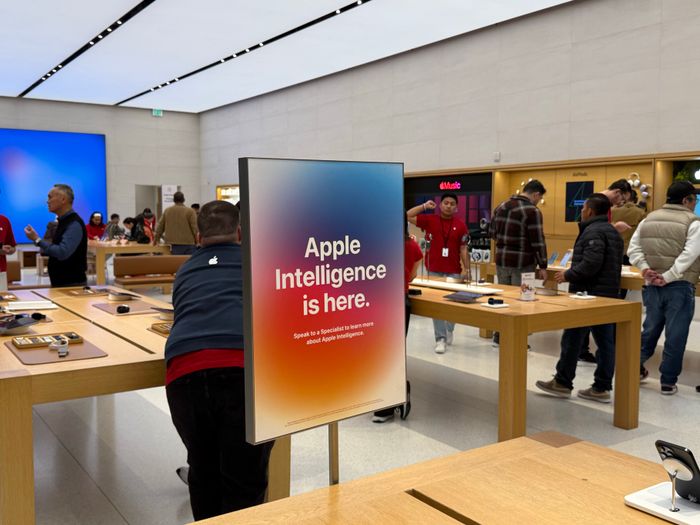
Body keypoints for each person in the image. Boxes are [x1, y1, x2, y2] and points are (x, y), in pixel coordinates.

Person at [165, 200, 273, 520]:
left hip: (184, 373)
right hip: (244, 372)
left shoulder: (185, 271)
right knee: (245, 479)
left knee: (203, 471)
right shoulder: (259, 263)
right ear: (240, 232)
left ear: (198, 236)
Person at [535, 193, 623, 403]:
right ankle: (602, 387)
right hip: (608, 294)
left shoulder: (593, 231)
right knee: (605, 342)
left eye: (583, 208)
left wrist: (569, 274)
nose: (581, 212)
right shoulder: (611, 231)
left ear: (590, 211)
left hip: (587, 295)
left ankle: (563, 382)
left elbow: (592, 262)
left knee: (573, 338)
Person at [628, 181, 700, 396]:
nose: (694, 205)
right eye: (694, 201)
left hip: (651, 285)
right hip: (680, 286)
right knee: (676, 335)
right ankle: (668, 382)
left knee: (649, 330)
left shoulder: (648, 219)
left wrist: (645, 269)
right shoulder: (693, 222)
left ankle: (633, 369)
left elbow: (633, 249)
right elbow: (690, 254)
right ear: (686, 200)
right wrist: (668, 276)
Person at [577, 178, 635, 364]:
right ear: (617, 192)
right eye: (622, 199)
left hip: (598, 279)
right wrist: (614, 228)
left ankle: (588, 356)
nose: (621, 203)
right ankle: (586, 354)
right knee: (596, 327)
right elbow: (596, 241)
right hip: (597, 281)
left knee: (597, 329)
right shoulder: (598, 205)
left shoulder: (602, 210)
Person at [372, 215, 423, 423]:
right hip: (399, 300)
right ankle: (395, 394)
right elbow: (412, 276)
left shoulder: (377, 243)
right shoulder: (412, 246)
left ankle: (388, 404)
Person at [489, 179, 548, 347]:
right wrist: (543, 265)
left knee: (504, 299)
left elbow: (492, 233)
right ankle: (517, 341)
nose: (539, 202)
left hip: (502, 261)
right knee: (522, 300)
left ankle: (499, 336)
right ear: (536, 194)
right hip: (523, 263)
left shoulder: (501, 206)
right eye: (539, 198)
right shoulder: (532, 211)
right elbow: (538, 241)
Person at [407, 193, 469, 354]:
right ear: (440, 205)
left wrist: (467, 269)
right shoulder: (430, 220)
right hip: (434, 270)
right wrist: (424, 206)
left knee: (454, 305)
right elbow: (407, 216)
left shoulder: (460, 225)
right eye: (446, 203)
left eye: (452, 204)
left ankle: (449, 329)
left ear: (456, 208)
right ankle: (440, 338)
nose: (448, 206)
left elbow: (463, 248)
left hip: (454, 271)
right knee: (438, 307)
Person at [24, 184, 87, 287]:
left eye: (50, 197)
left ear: (63, 199)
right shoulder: (63, 221)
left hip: (71, 285)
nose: (47, 201)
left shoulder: (73, 223)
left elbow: (62, 252)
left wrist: (37, 239)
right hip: (61, 283)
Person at [0, 214, 17, 290]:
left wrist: (9, 250)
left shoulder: (4, 220)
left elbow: (12, 247)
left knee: (2, 297)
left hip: (1, 272)